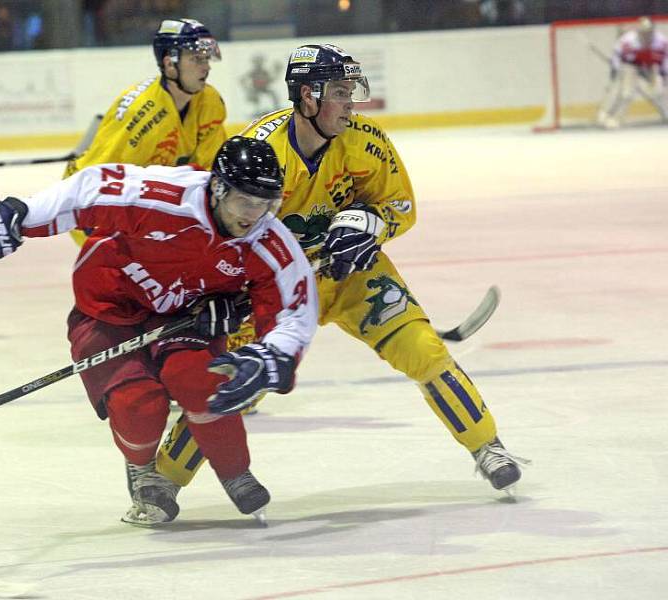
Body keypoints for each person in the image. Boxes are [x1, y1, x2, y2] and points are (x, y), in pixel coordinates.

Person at [156, 43, 528, 494]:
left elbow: (401, 205)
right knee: (236, 378)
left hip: (352, 275)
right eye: (339, 91)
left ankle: (487, 445)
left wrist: (373, 222)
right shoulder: (262, 151)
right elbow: (223, 228)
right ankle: (162, 482)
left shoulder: (364, 141)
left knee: (424, 350)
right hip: (277, 290)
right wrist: (221, 289)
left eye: (350, 89)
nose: (350, 101)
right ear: (308, 96)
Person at [0, 136, 318, 525]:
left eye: (266, 204)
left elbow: (295, 305)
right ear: (219, 188)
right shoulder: (166, 196)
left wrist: (275, 353)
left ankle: (235, 469)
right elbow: (90, 189)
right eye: (246, 201)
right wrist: (13, 219)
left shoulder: (265, 237)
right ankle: (141, 467)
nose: (255, 215)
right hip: (111, 302)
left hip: (185, 313)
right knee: (137, 404)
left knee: (206, 383)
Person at [65, 17, 228, 247]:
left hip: (150, 199)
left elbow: (209, 172)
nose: (206, 66)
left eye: (206, 59)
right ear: (170, 64)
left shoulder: (209, 101)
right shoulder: (140, 115)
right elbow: (96, 183)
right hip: (90, 206)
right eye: (196, 59)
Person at [597, 16, 668, 129]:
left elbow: (664, 61)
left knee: (659, 90)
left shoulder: (662, 42)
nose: (646, 35)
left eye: (648, 32)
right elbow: (616, 55)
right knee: (626, 93)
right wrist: (614, 71)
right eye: (643, 32)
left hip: (650, 66)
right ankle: (609, 117)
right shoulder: (627, 40)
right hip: (630, 66)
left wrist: (663, 76)